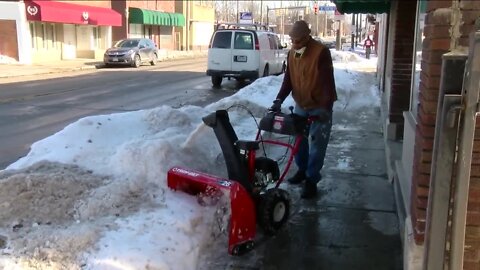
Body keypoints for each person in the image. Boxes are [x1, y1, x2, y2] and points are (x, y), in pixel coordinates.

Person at [269, 20, 337, 199]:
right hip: (301, 103)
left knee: (317, 144)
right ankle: (302, 170)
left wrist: (325, 108)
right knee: (297, 140)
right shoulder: (292, 53)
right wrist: (278, 100)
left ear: (308, 37)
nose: (295, 44)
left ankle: (311, 180)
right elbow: (288, 80)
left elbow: (327, 83)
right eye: (293, 41)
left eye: (299, 41)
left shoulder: (321, 52)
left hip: (319, 107)